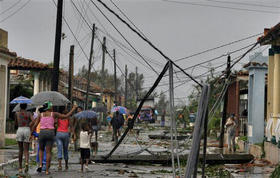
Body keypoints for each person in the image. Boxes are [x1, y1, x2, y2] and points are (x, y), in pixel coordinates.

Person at [32, 101, 77, 175]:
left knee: (41, 149)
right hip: (50, 133)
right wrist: (73, 109)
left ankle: (40, 165)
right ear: (49, 107)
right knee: (48, 152)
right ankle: (47, 170)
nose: (53, 107)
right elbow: (66, 116)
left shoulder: (41, 114)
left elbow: (35, 124)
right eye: (52, 106)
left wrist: (31, 133)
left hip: (42, 133)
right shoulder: (54, 114)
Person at [14, 103, 34, 173]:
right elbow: (33, 121)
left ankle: (20, 167)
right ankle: (26, 163)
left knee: (20, 150)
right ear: (26, 107)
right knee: (26, 150)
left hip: (20, 130)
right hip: (27, 129)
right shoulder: (29, 113)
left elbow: (15, 124)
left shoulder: (17, 113)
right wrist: (29, 124)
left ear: (20, 106)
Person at [56, 106, 71, 171]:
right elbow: (70, 126)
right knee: (65, 150)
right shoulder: (68, 117)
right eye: (65, 109)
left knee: (59, 149)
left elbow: (56, 124)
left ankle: (59, 165)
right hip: (65, 134)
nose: (67, 110)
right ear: (63, 111)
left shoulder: (58, 117)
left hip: (59, 133)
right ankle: (66, 165)